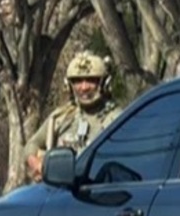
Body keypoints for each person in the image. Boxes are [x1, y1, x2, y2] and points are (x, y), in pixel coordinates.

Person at [24, 51, 119, 182]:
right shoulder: (60, 118)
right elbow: (31, 145)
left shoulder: (117, 119)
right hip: (60, 194)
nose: (84, 87)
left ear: (104, 83)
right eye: (77, 81)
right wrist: (37, 164)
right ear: (69, 85)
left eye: (91, 80)